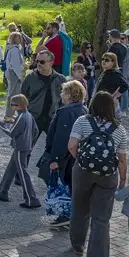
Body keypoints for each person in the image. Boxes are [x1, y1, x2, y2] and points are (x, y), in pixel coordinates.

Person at [69, 91, 128, 257]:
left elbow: (71, 145)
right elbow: (122, 158)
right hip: (107, 175)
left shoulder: (82, 121)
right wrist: (123, 179)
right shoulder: (119, 129)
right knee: (102, 218)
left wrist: (80, 159)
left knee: (79, 208)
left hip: (83, 171)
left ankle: (78, 246)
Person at [37, 80, 87, 226]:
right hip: (75, 156)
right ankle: (72, 213)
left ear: (69, 94)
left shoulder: (66, 112)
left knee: (61, 184)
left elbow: (61, 137)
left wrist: (55, 159)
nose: (61, 94)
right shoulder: (83, 109)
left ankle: (66, 214)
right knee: (71, 184)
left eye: (63, 92)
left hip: (65, 157)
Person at [0, 94, 41, 209]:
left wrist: (2, 126)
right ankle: (1, 192)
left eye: (12, 105)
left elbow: (12, 132)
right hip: (26, 146)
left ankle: (31, 199)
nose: (11, 107)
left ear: (17, 106)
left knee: (23, 173)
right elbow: (36, 131)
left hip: (20, 147)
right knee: (10, 169)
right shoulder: (29, 115)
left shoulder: (21, 117)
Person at [17, 49, 66, 142]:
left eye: (42, 62)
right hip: (34, 118)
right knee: (26, 147)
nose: (38, 64)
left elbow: (65, 100)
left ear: (51, 63)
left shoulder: (60, 79)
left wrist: (61, 116)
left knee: (55, 146)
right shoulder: (30, 78)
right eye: (37, 61)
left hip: (52, 118)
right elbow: (21, 98)